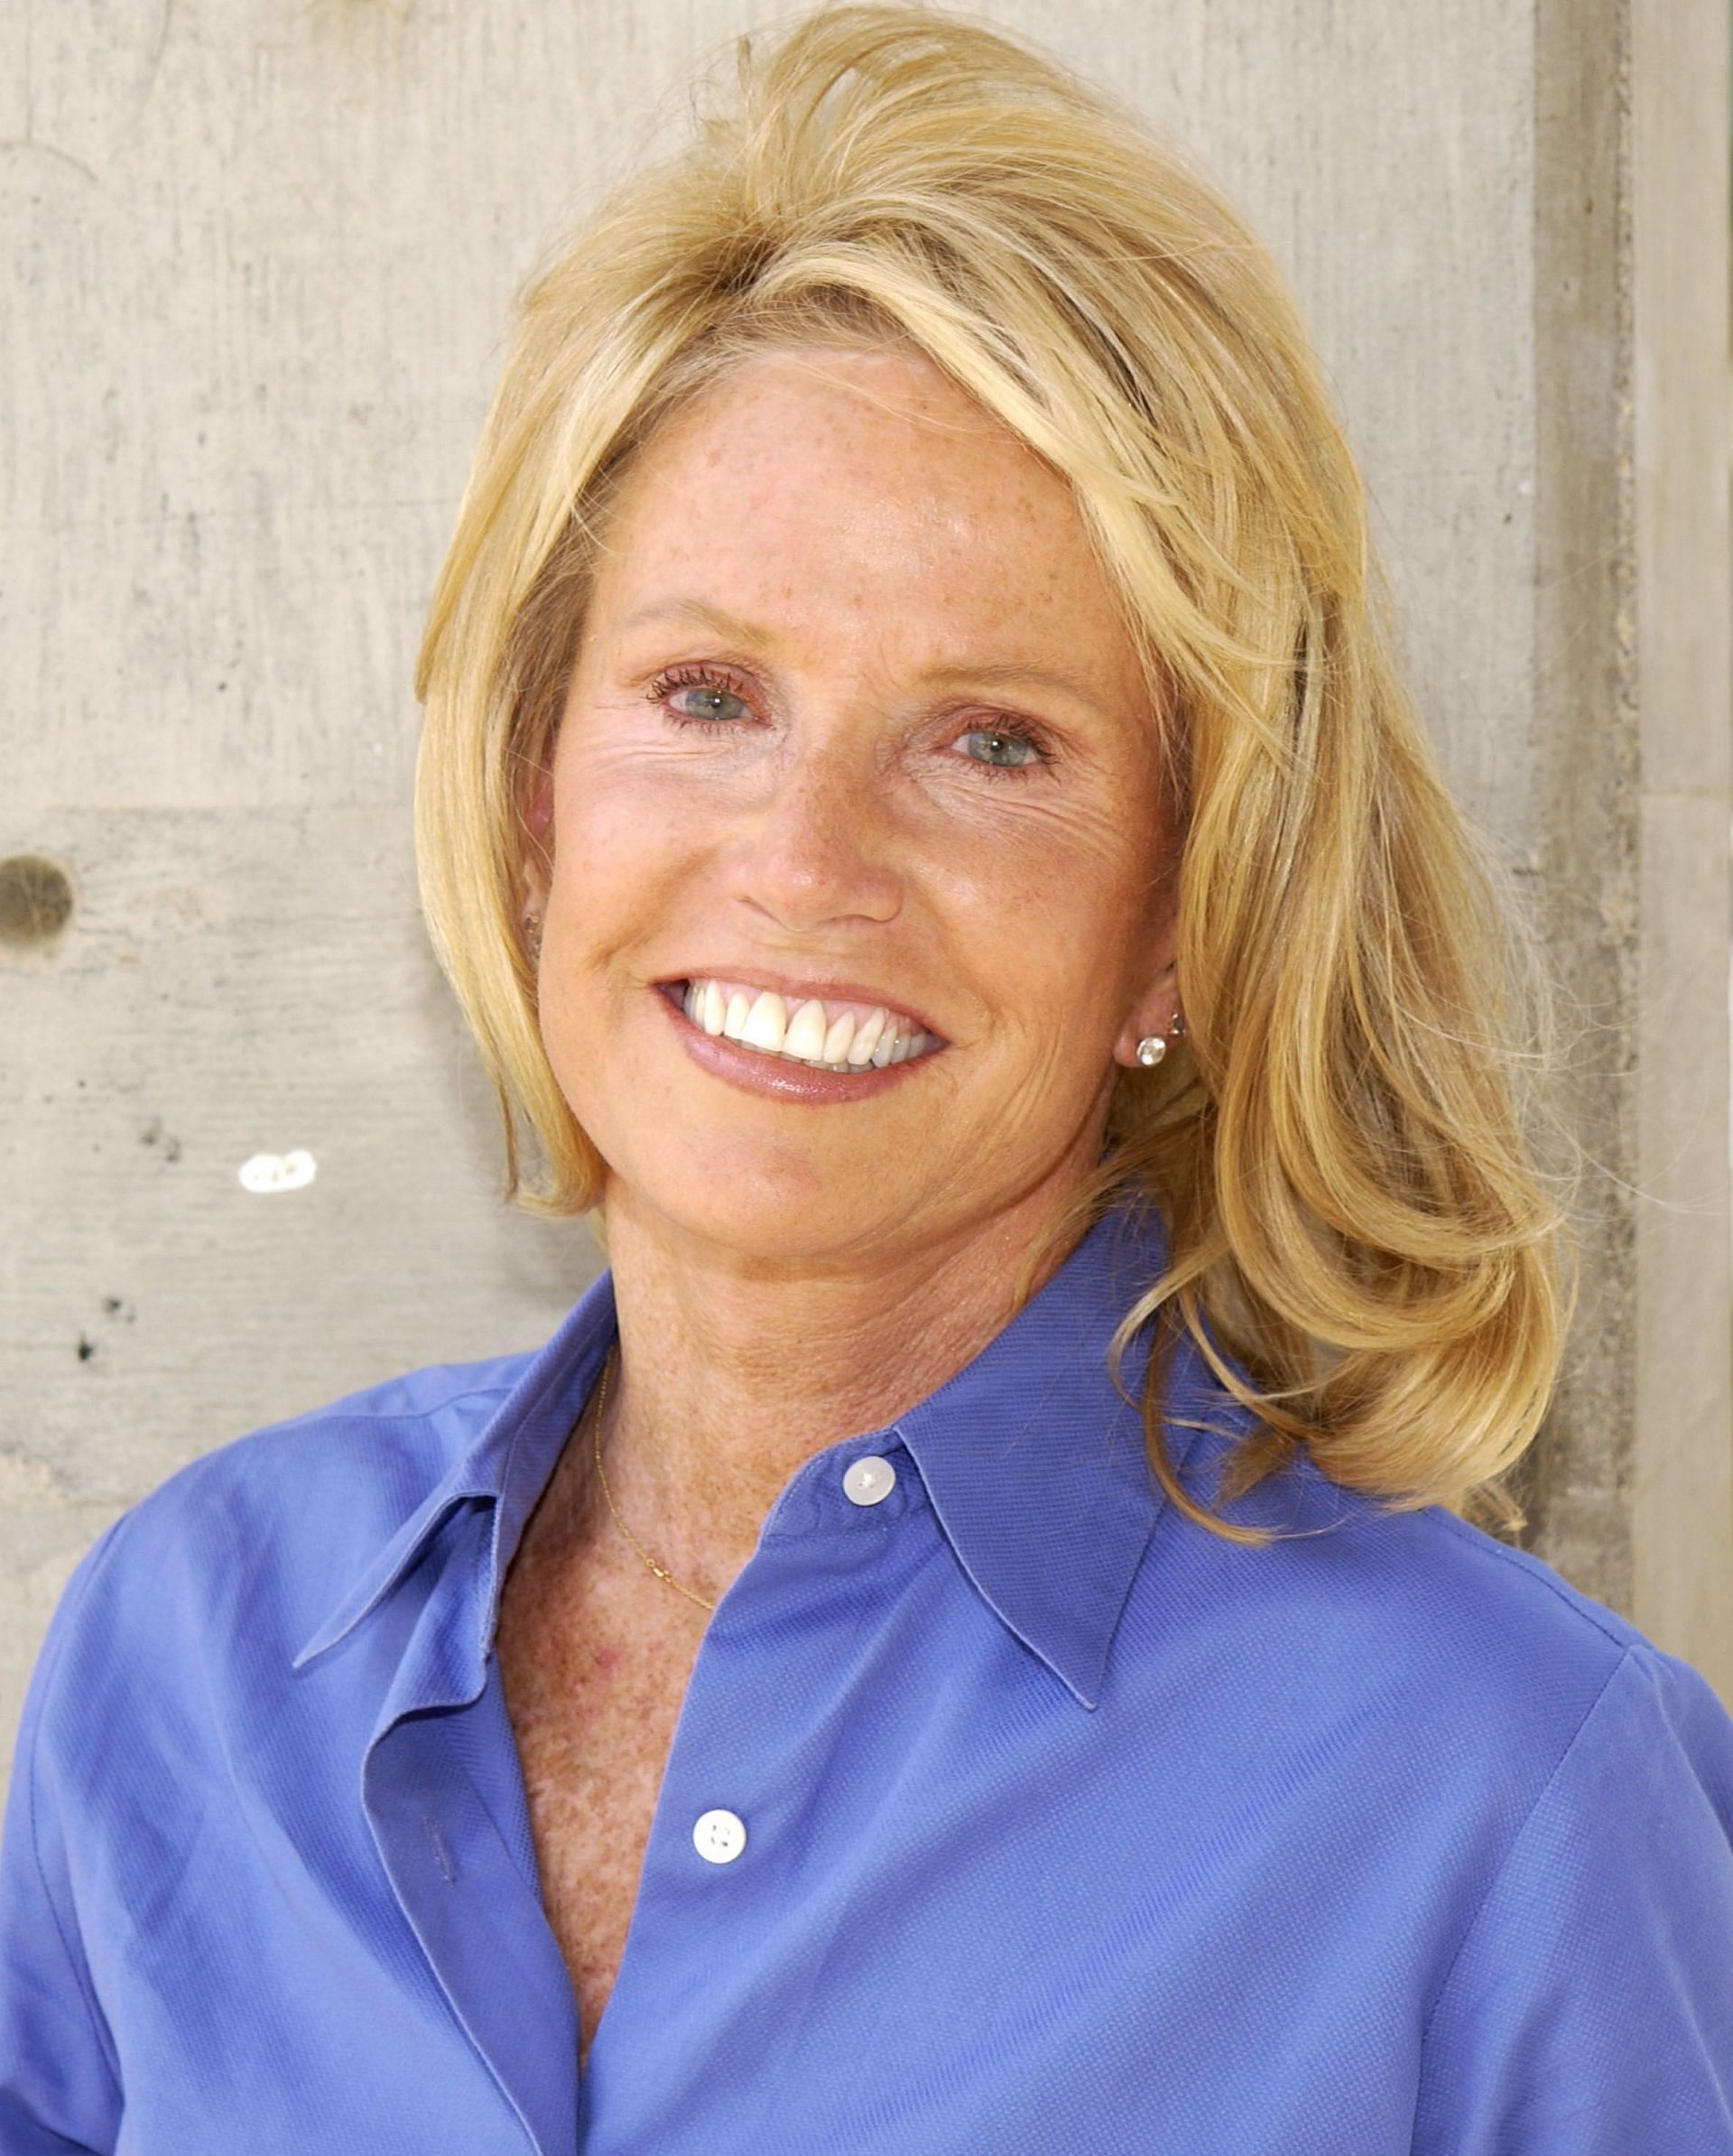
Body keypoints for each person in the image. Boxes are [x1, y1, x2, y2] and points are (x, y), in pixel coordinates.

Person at [5, 5, 1731, 2149]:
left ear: (1185, 916)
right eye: (709, 694)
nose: (807, 864)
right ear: (538, 796)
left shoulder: (1501, 1796)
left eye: (993, 742)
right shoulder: (190, 1650)